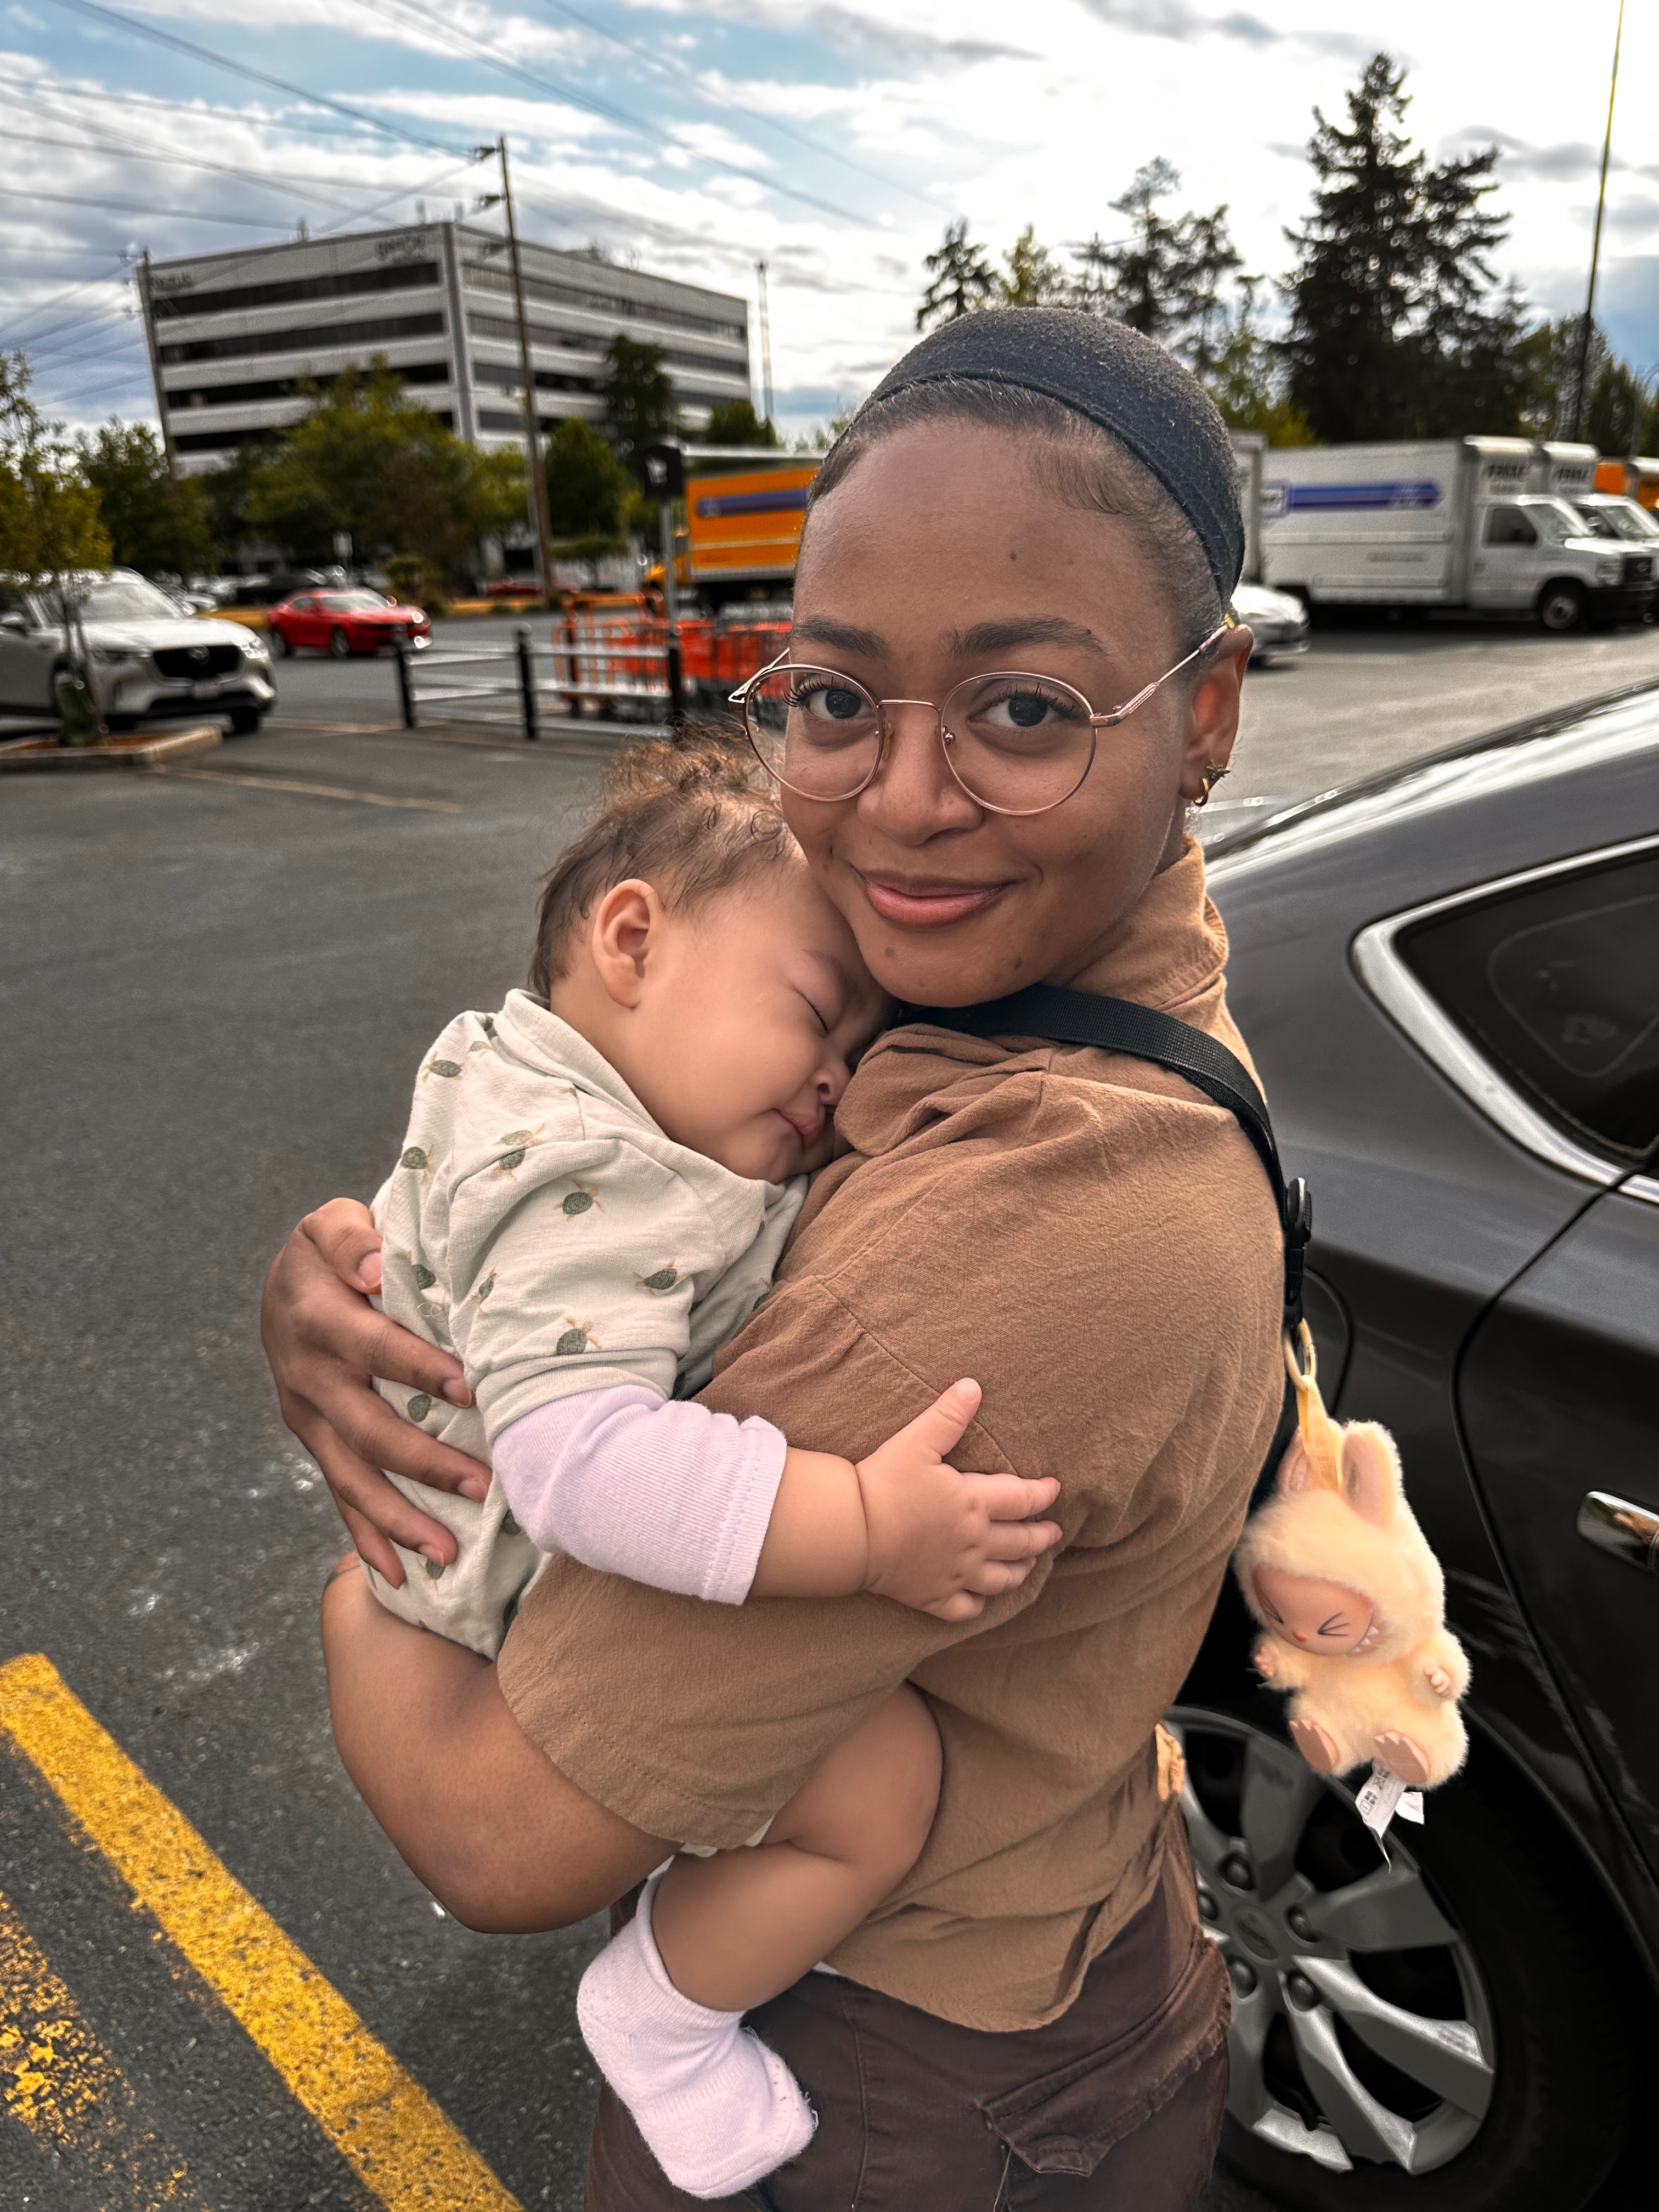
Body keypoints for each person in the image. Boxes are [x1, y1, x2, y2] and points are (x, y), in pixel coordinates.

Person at [263, 307, 1285, 2209]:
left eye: (1024, 708)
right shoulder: (986, 996)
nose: (899, 800)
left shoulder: (1048, 1217)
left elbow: (496, 1831)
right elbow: (623, 1121)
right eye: (832, 696)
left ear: (1205, 713)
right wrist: (380, 1278)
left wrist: (369, 1554)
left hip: (896, 2087)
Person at [358, 736, 1062, 2198]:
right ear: (632, 942)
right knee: (880, 1793)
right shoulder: (593, 1176)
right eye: (813, 1011)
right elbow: (581, 1462)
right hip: (495, 1604)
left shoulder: (531, 1093)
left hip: (447, 1583)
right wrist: (863, 1525)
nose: (836, 1082)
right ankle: (665, 2019)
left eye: (861, 1048)